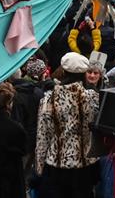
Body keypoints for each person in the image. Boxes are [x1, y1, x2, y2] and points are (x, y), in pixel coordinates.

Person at [35, 52, 100, 198]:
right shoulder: (92, 98)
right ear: (84, 73)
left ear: (63, 72)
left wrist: (39, 167)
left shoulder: (48, 99)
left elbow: (43, 135)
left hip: (56, 164)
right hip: (85, 164)